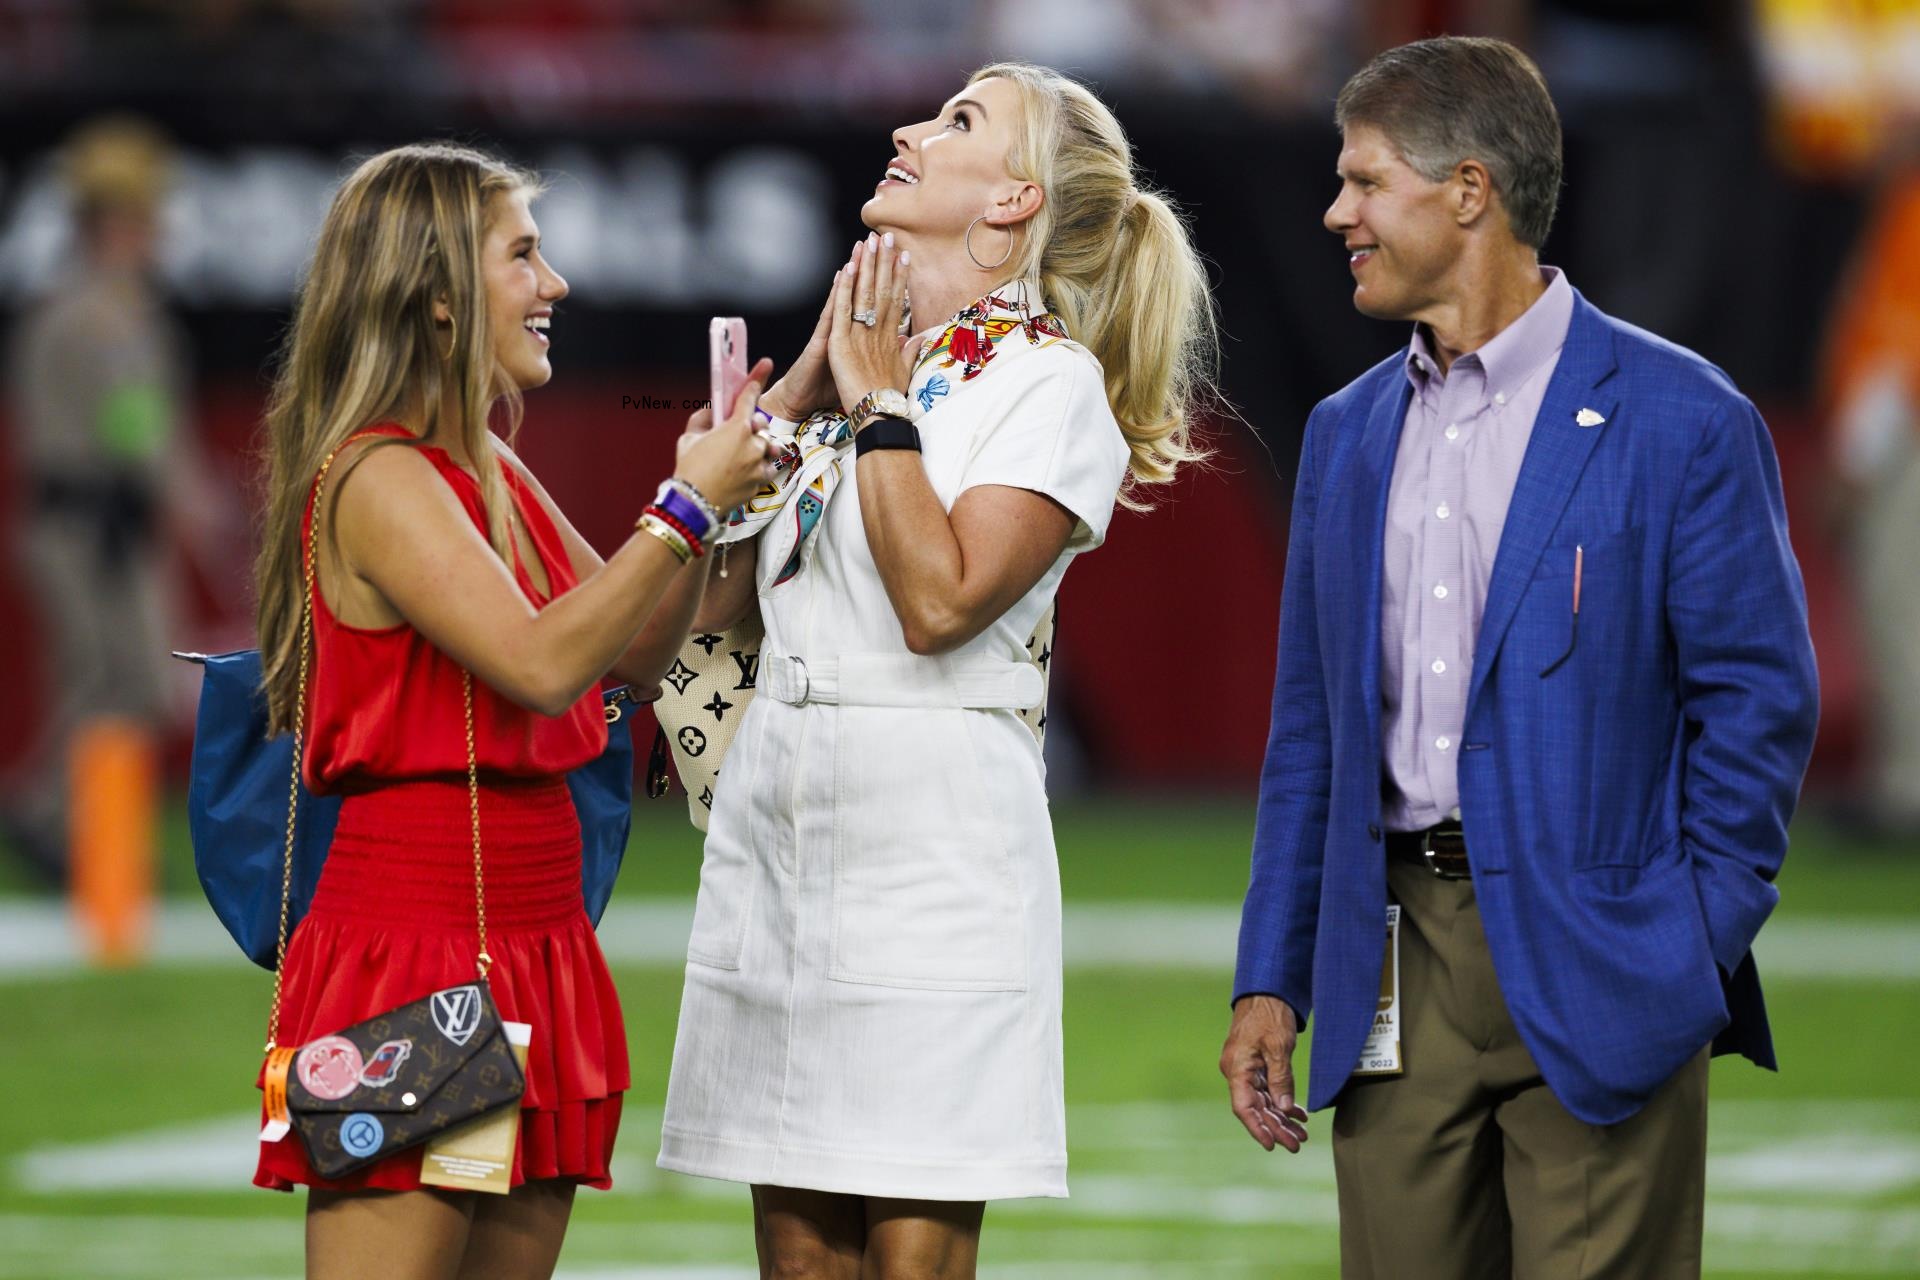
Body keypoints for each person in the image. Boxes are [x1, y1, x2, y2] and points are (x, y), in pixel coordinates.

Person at [1219, 37, 1819, 1278]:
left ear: (1470, 191)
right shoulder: (1345, 433)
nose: (1337, 212)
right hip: (1391, 955)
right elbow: (1311, 734)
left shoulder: (1685, 418)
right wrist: (1270, 977)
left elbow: (1759, 704)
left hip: (1603, 953)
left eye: (1366, 182)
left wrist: (1686, 937)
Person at [656, 63, 1214, 1278]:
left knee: (909, 1261)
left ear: (1014, 202)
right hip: (782, 822)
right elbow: (697, 626)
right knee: (797, 1259)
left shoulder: (1050, 384)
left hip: (935, 854)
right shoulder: (860, 365)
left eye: (959, 121)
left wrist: (875, 405)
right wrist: (781, 414)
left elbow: (940, 601)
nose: (909, 127)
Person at [250, 143, 778, 1279]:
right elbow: (544, 666)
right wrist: (685, 508)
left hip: (535, 938)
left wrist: (701, 500)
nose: (558, 285)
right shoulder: (381, 474)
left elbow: (632, 650)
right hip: (418, 951)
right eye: (524, 255)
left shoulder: (484, 458)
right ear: (437, 293)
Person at [2, 116, 224, 885]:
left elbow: (153, 428)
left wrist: (185, 493)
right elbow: (137, 429)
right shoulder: (89, 318)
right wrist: (189, 496)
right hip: (79, 526)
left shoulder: (133, 318)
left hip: (118, 528)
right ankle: (52, 820)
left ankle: (89, 837)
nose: (155, 233)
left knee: (123, 682)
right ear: (112, 224)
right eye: (143, 218)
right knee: (108, 678)